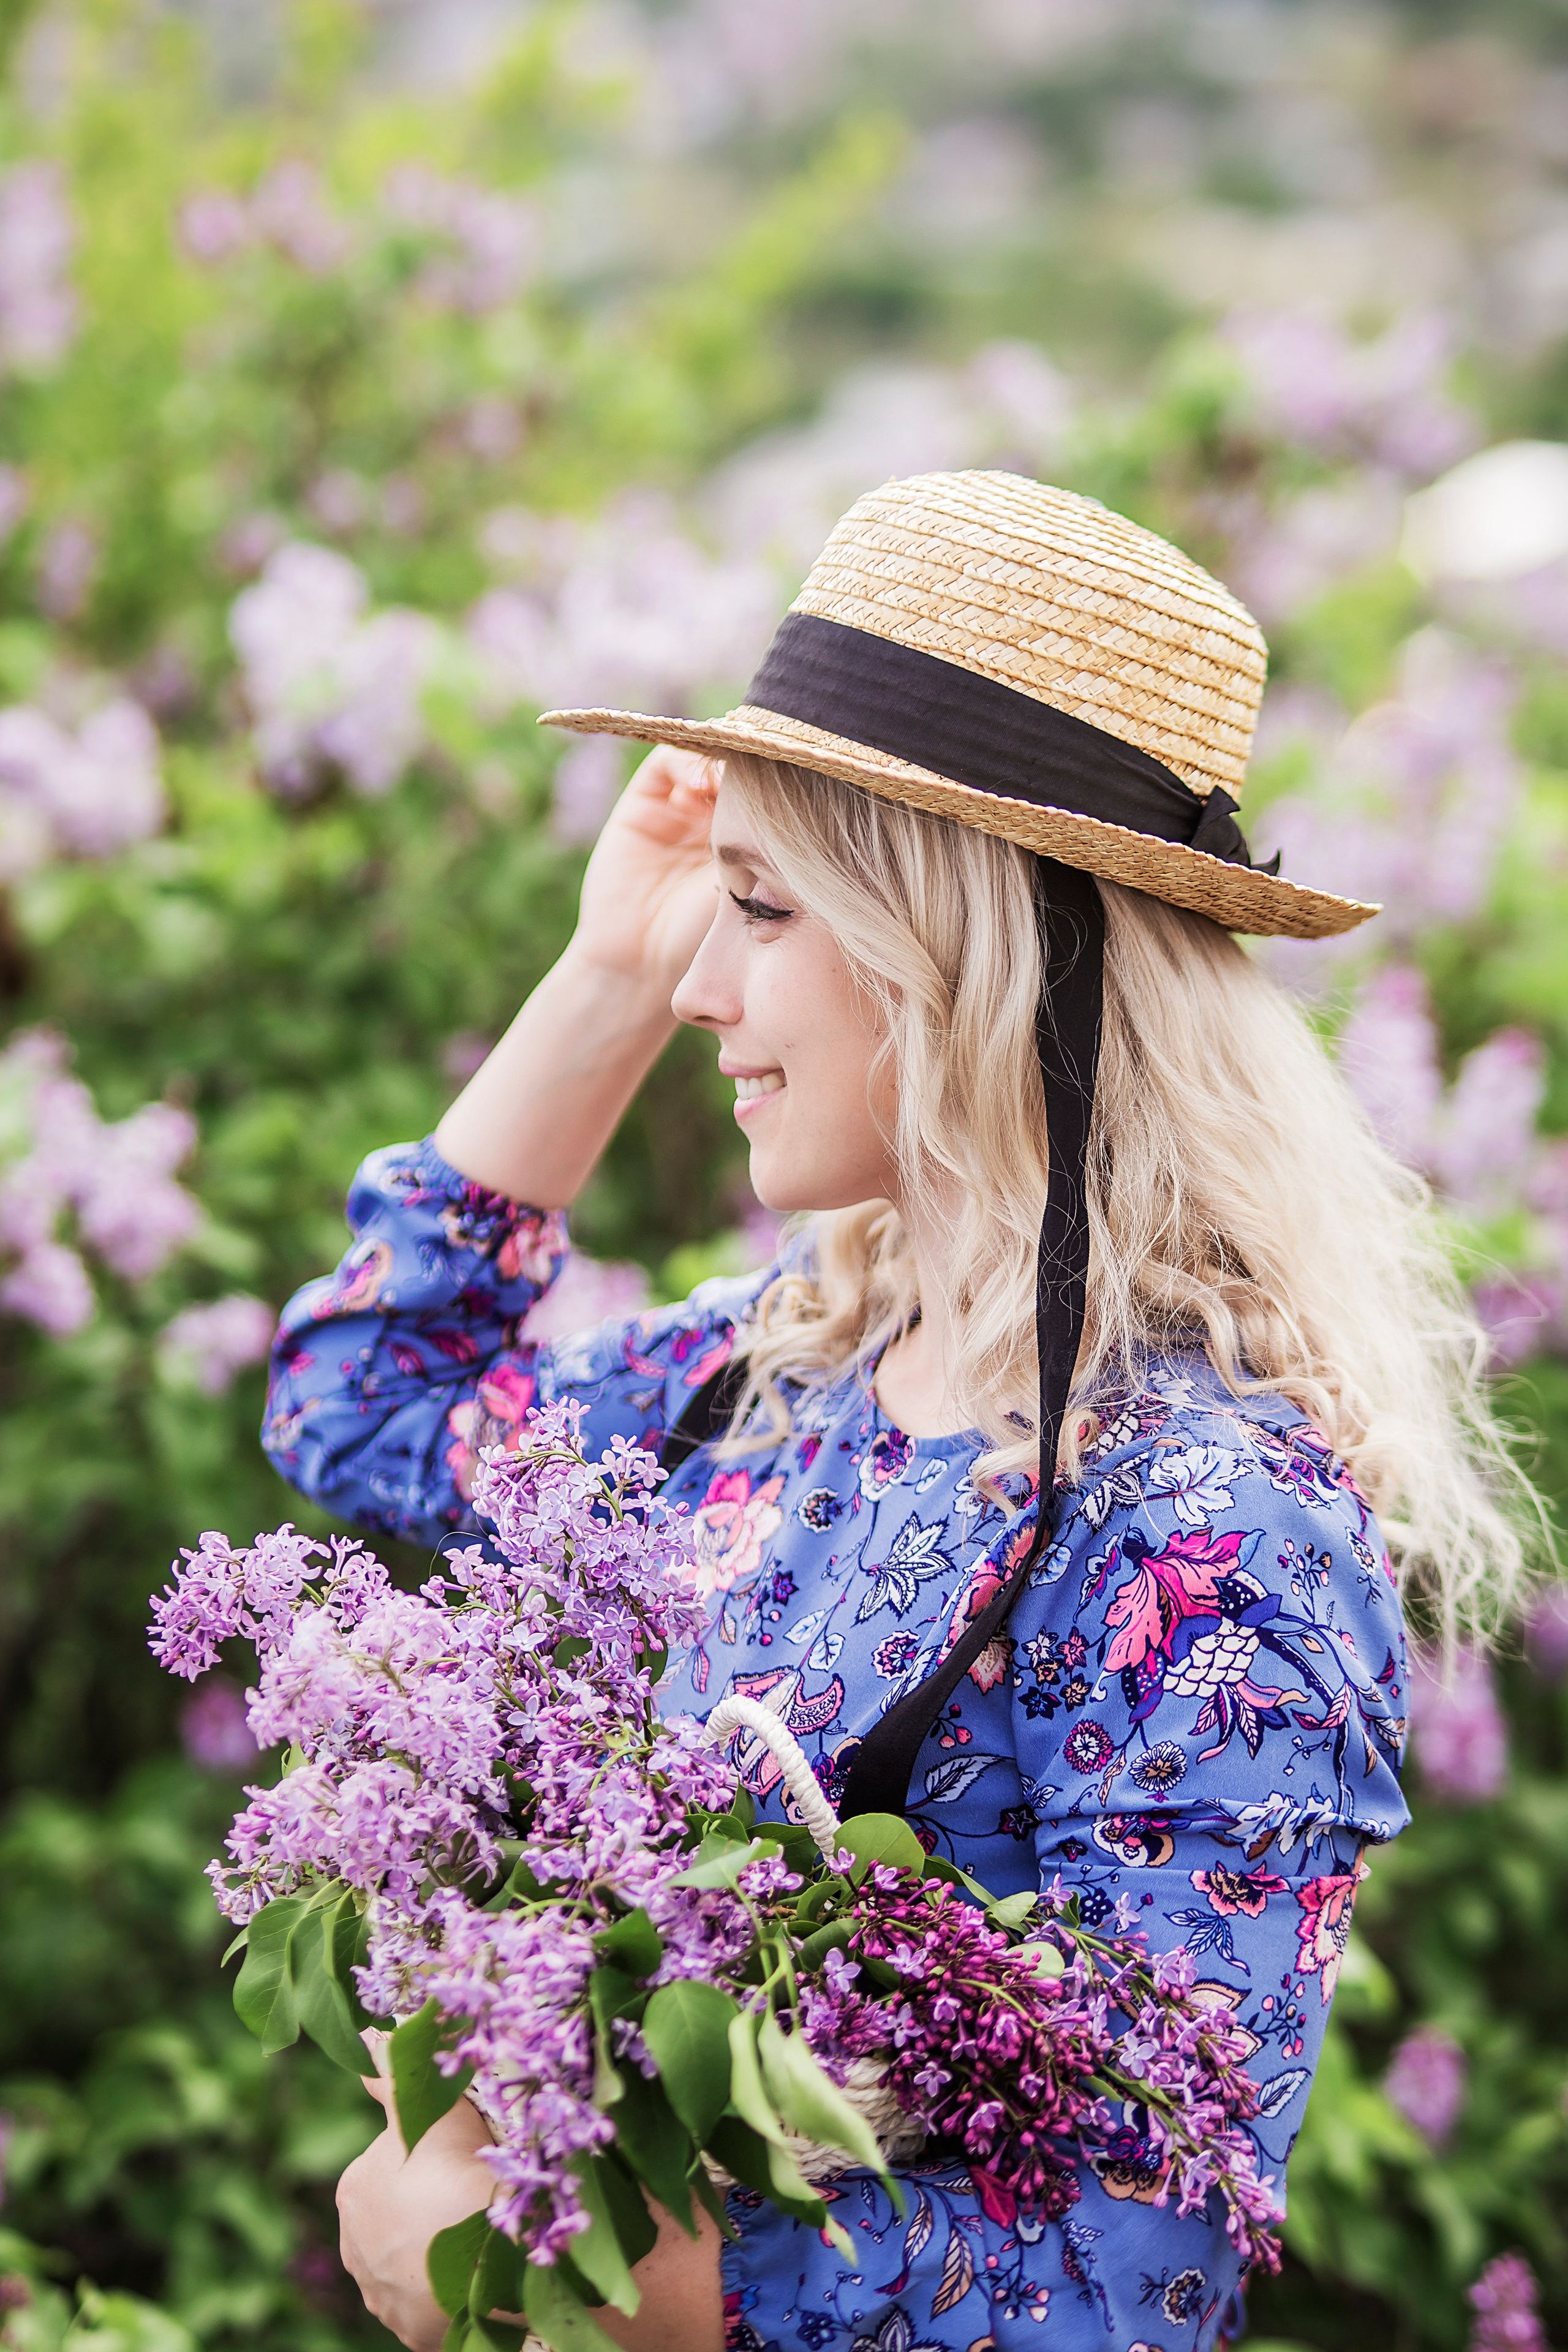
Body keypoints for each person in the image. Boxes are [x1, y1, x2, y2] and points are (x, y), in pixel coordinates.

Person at [263, 473, 1526, 2352]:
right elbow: (368, 1401)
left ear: (965, 955)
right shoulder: (781, 1372)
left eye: (761, 910)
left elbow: (1143, 2265)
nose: (702, 986)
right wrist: (605, 974)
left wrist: (562, 2276)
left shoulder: (1199, 1528)